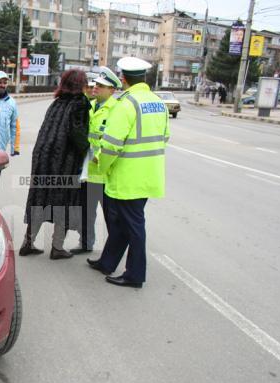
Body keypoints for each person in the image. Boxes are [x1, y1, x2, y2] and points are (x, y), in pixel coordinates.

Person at [87, 57, 169, 288]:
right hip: (148, 175)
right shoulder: (158, 102)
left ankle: (135, 274)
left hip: (127, 177)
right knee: (122, 223)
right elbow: (165, 137)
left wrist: (102, 167)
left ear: (123, 79)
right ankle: (107, 262)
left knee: (133, 227)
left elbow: (112, 144)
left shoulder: (127, 104)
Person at [19, 69, 90, 259]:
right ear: (80, 84)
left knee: (39, 199)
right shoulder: (80, 103)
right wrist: (88, 147)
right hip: (64, 161)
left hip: (43, 158)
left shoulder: (56, 102)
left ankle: (28, 243)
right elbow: (77, 133)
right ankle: (57, 247)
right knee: (65, 202)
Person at [73, 66, 121, 255]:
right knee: (86, 211)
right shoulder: (90, 106)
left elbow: (115, 141)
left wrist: (99, 157)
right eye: (95, 85)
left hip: (106, 173)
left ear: (112, 90)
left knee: (112, 216)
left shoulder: (116, 110)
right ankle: (85, 243)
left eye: (100, 86)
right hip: (88, 171)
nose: (95, 89)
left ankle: (113, 250)